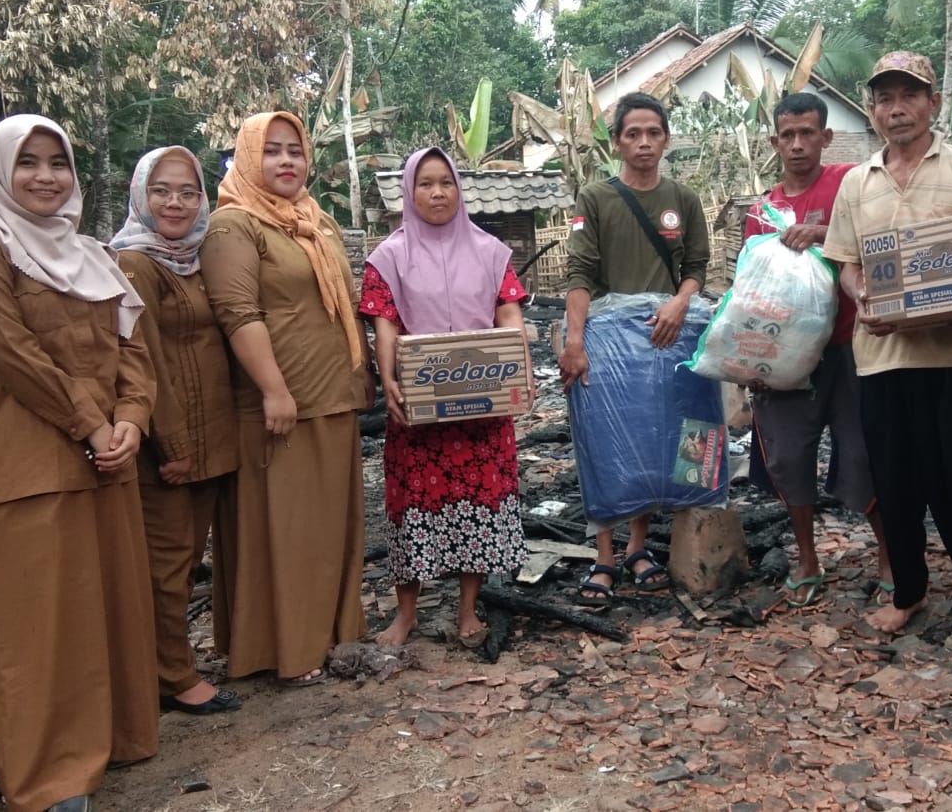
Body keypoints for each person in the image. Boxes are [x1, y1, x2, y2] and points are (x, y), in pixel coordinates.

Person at [0, 114, 159, 812]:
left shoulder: (93, 255)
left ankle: (113, 740)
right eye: (27, 163)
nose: (43, 176)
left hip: (106, 459)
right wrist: (94, 425)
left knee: (109, 610)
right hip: (31, 462)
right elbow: (17, 358)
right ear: (1, 172)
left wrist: (131, 419)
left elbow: (134, 353)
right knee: (40, 627)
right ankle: (50, 780)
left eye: (56, 162)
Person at [823, 51, 952, 638]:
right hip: (880, 358)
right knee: (895, 481)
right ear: (873, 108)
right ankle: (908, 592)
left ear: (934, 103)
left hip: (951, 355)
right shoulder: (858, 183)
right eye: (885, 98)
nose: (897, 108)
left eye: (910, 95)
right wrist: (863, 300)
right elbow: (847, 265)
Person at [199, 112, 371, 686]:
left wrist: (361, 372)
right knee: (289, 531)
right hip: (281, 404)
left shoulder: (315, 221)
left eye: (294, 151)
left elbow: (342, 304)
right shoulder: (233, 225)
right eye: (271, 151)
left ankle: (331, 634)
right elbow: (237, 313)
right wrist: (274, 389)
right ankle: (289, 649)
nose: (286, 162)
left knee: (329, 529)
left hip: (331, 397)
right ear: (248, 158)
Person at [362, 147, 530, 647]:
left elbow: (509, 312)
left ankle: (466, 610)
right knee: (412, 504)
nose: (437, 193)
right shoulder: (388, 257)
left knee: (479, 502)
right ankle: (406, 613)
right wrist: (388, 376)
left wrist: (517, 362)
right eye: (426, 184)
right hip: (419, 407)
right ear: (409, 193)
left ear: (459, 189)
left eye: (446, 183)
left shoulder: (491, 251)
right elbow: (385, 323)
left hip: (483, 407)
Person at [559, 91, 710, 605]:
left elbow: (696, 268)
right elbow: (579, 272)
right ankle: (604, 554)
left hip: (666, 337)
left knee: (652, 438)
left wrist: (680, 303)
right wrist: (574, 342)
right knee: (604, 443)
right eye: (633, 134)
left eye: (653, 133)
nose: (644, 143)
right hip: (606, 342)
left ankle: (638, 548)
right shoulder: (595, 199)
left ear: (665, 138)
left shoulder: (683, 200)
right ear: (618, 142)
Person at [111, 146, 243, 716]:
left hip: (209, 438)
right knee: (166, 566)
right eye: (162, 190)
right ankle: (172, 676)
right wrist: (174, 446)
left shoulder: (191, 258)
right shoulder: (135, 264)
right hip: (170, 445)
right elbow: (144, 364)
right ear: (141, 193)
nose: (175, 202)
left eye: (188, 192)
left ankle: (166, 665)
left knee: (186, 560)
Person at [742, 92, 887, 607]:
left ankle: (890, 558)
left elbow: (882, 235)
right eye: (788, 135)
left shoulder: (852, 184)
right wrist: (749, 359)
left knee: (865, 451)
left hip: (851, 346)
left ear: (826, 137)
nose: (798, 144)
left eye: (808, 133)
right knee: (789, 455)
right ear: (775, 141)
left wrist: (824, 232)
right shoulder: (761, 213)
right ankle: (807, 556)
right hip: (784, 356)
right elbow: (750, 293)